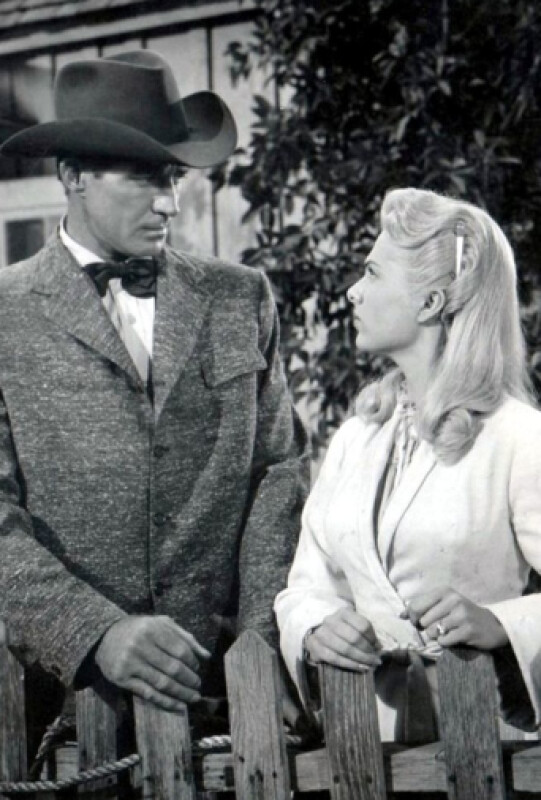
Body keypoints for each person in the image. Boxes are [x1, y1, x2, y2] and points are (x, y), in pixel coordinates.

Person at [0, 50, 308, 747]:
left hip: (230, 706)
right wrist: (94, 633)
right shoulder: (6, 313)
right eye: (143, 177)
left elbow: (276, 474)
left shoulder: (239, 297)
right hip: (66, 715)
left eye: (173, 177)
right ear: (72, 175)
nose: (168, 202)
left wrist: (260, 642)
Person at [275, 187, 541, 743]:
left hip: (483, 743)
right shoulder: (356, 438)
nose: (353, 291)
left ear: (430, 303)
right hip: (362, 745)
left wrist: (502, 623)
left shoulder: (517, 436)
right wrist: (317, 626)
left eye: (372, 274)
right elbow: (305, 586)